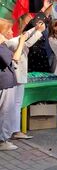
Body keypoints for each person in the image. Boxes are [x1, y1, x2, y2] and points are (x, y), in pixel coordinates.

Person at [0, 18, 27, 150]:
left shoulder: (3, 45)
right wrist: (21, 42)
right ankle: (3, 140)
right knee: (5, 111)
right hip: (4, 83)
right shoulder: (1, 47)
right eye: (9, 29)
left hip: (5, 81)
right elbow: (14, 58)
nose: (11, 32)